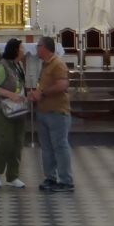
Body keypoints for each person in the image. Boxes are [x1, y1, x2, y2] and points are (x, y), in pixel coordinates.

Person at [28, 36, 73, 192]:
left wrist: (43, 93)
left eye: (38, 46)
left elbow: (62, 84)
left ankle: (66, 181)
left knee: (60, 147)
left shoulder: (57, 64)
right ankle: (50, 177)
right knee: (47, 148)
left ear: (45, 48)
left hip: (57, 112)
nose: (36, 49)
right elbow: (44, 85)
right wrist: (36, 93)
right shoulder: (45, 64)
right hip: (44, 111)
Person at [0, 38, 27, 189]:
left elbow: (20, 84)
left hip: (18, 108)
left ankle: (13, 176)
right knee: (6, 141)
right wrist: (10, 95)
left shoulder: (19, 65)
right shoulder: (3, 66)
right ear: (15, 50)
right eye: (21, 48)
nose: (23, 50)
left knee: (18, 142)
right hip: (2, 108)